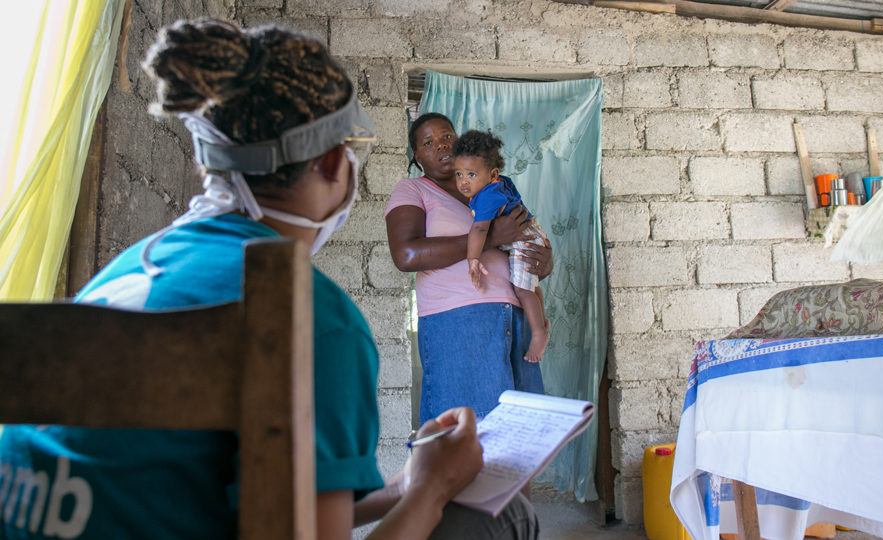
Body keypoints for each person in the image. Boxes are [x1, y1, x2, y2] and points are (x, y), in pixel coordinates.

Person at [0, 20, 537, 540]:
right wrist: (436, 483)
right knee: (503, 516)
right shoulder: (308, 317)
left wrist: (407, 486)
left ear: (210, 163)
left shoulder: (130, 268)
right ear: (333, 164)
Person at [385, 113, 554, 423]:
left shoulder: (490, 188)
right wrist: (491, 238)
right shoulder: (413, 190)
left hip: (515, 318)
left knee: (521, 432)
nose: (441, 145)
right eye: (428, 142)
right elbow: (406, 255)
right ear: (417, 157)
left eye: (447, 136)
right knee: (470, 433)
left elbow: (521, 239)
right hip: (459, 322)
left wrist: (543, 261)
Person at [453, 130, 550, 362]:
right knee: (531, 288)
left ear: (493, 173)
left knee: (522, 290)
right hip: (529, 233)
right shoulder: (499, 184)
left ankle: (538, 333)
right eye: (459, 174)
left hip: (523, 240)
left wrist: (473, 259)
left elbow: (479, 230)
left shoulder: (487, 196)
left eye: (471, 174)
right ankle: (542, 322)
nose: (463, 181)